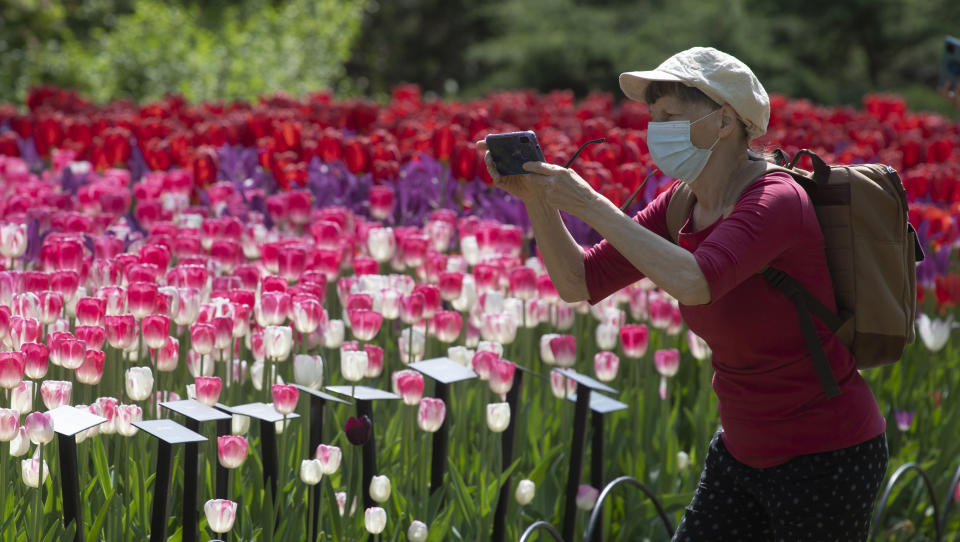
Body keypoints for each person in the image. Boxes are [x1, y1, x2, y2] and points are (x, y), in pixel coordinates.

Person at [477, 47, 888, 541]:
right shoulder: (681, 203)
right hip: (740, 451)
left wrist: (593, 205)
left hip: (826, 458)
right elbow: (579, 283)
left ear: (725, 121)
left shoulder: (775, 198)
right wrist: (540, 202)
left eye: (671, 115)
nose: (657, 129)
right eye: (653, 117)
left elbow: (698, 282)